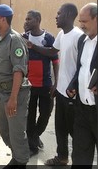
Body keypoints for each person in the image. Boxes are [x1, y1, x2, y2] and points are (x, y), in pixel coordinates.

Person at [27, 3, 83, 166]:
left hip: (72, 93)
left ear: (68, 15)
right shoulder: (61, 35)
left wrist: (73, 86)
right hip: (60, 91)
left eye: (59, 14)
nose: (56, 17)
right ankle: (62, 157)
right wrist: (33, 46)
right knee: (60, 128)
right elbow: (52, 51)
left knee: (75, 130)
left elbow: (82, 65)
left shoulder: (78, 36)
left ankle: (79, 161)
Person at [0, 4, 30, 168]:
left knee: (16, 133)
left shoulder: (14, 40)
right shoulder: (0, 37)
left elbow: (18, 71)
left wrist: (13, 99)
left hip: (15, 94)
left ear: (3, 19)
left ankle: (21, 161)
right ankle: (16, 156)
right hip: (2, 93)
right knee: (5, 131)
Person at [66, 2, 98, 167]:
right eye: (80, 21)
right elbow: (81, 69)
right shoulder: (82, 41)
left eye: (84, 21)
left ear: (97, 19)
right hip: (82, 111)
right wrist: (73, 85)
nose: (81, 25)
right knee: (80, 157)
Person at [22, 10, 59, 157]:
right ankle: (32, 146)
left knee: (45, 114)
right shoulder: (24, 37)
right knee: (29, 116)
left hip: (45, 85)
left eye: (29, 19)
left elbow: (55, 62)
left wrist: (56, 83)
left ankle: (34, 136)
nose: (26, 21)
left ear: (37, 20)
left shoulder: (49, 38)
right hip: (29, 86)